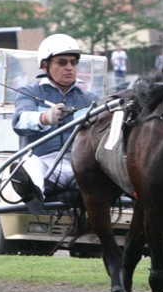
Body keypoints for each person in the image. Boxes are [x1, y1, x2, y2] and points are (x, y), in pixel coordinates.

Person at [11, 34, 99, 212]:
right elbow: (19, 122)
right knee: (29, 163)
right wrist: (46, 117)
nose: (69, 68)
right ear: (45, 65)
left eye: (73, 62)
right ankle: (34, 198)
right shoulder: (28, 92)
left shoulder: (90, 99)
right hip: (43, 164)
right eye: (62, 62)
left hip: (78, 164)